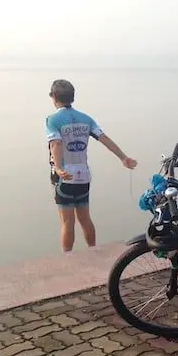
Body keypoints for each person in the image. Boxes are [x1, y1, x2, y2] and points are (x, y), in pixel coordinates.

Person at [45, 79, 137, 252]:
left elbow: (55, 144)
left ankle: (68, 258)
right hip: (83, 176)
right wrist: (123, 157)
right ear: (72, 97)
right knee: (85, 218)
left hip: (64, 177)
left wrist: (58, 168)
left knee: (67, 222)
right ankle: (92, 251)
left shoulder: (52, 120)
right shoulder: (86, 119)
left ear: (54, 96)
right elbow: (104, 138)